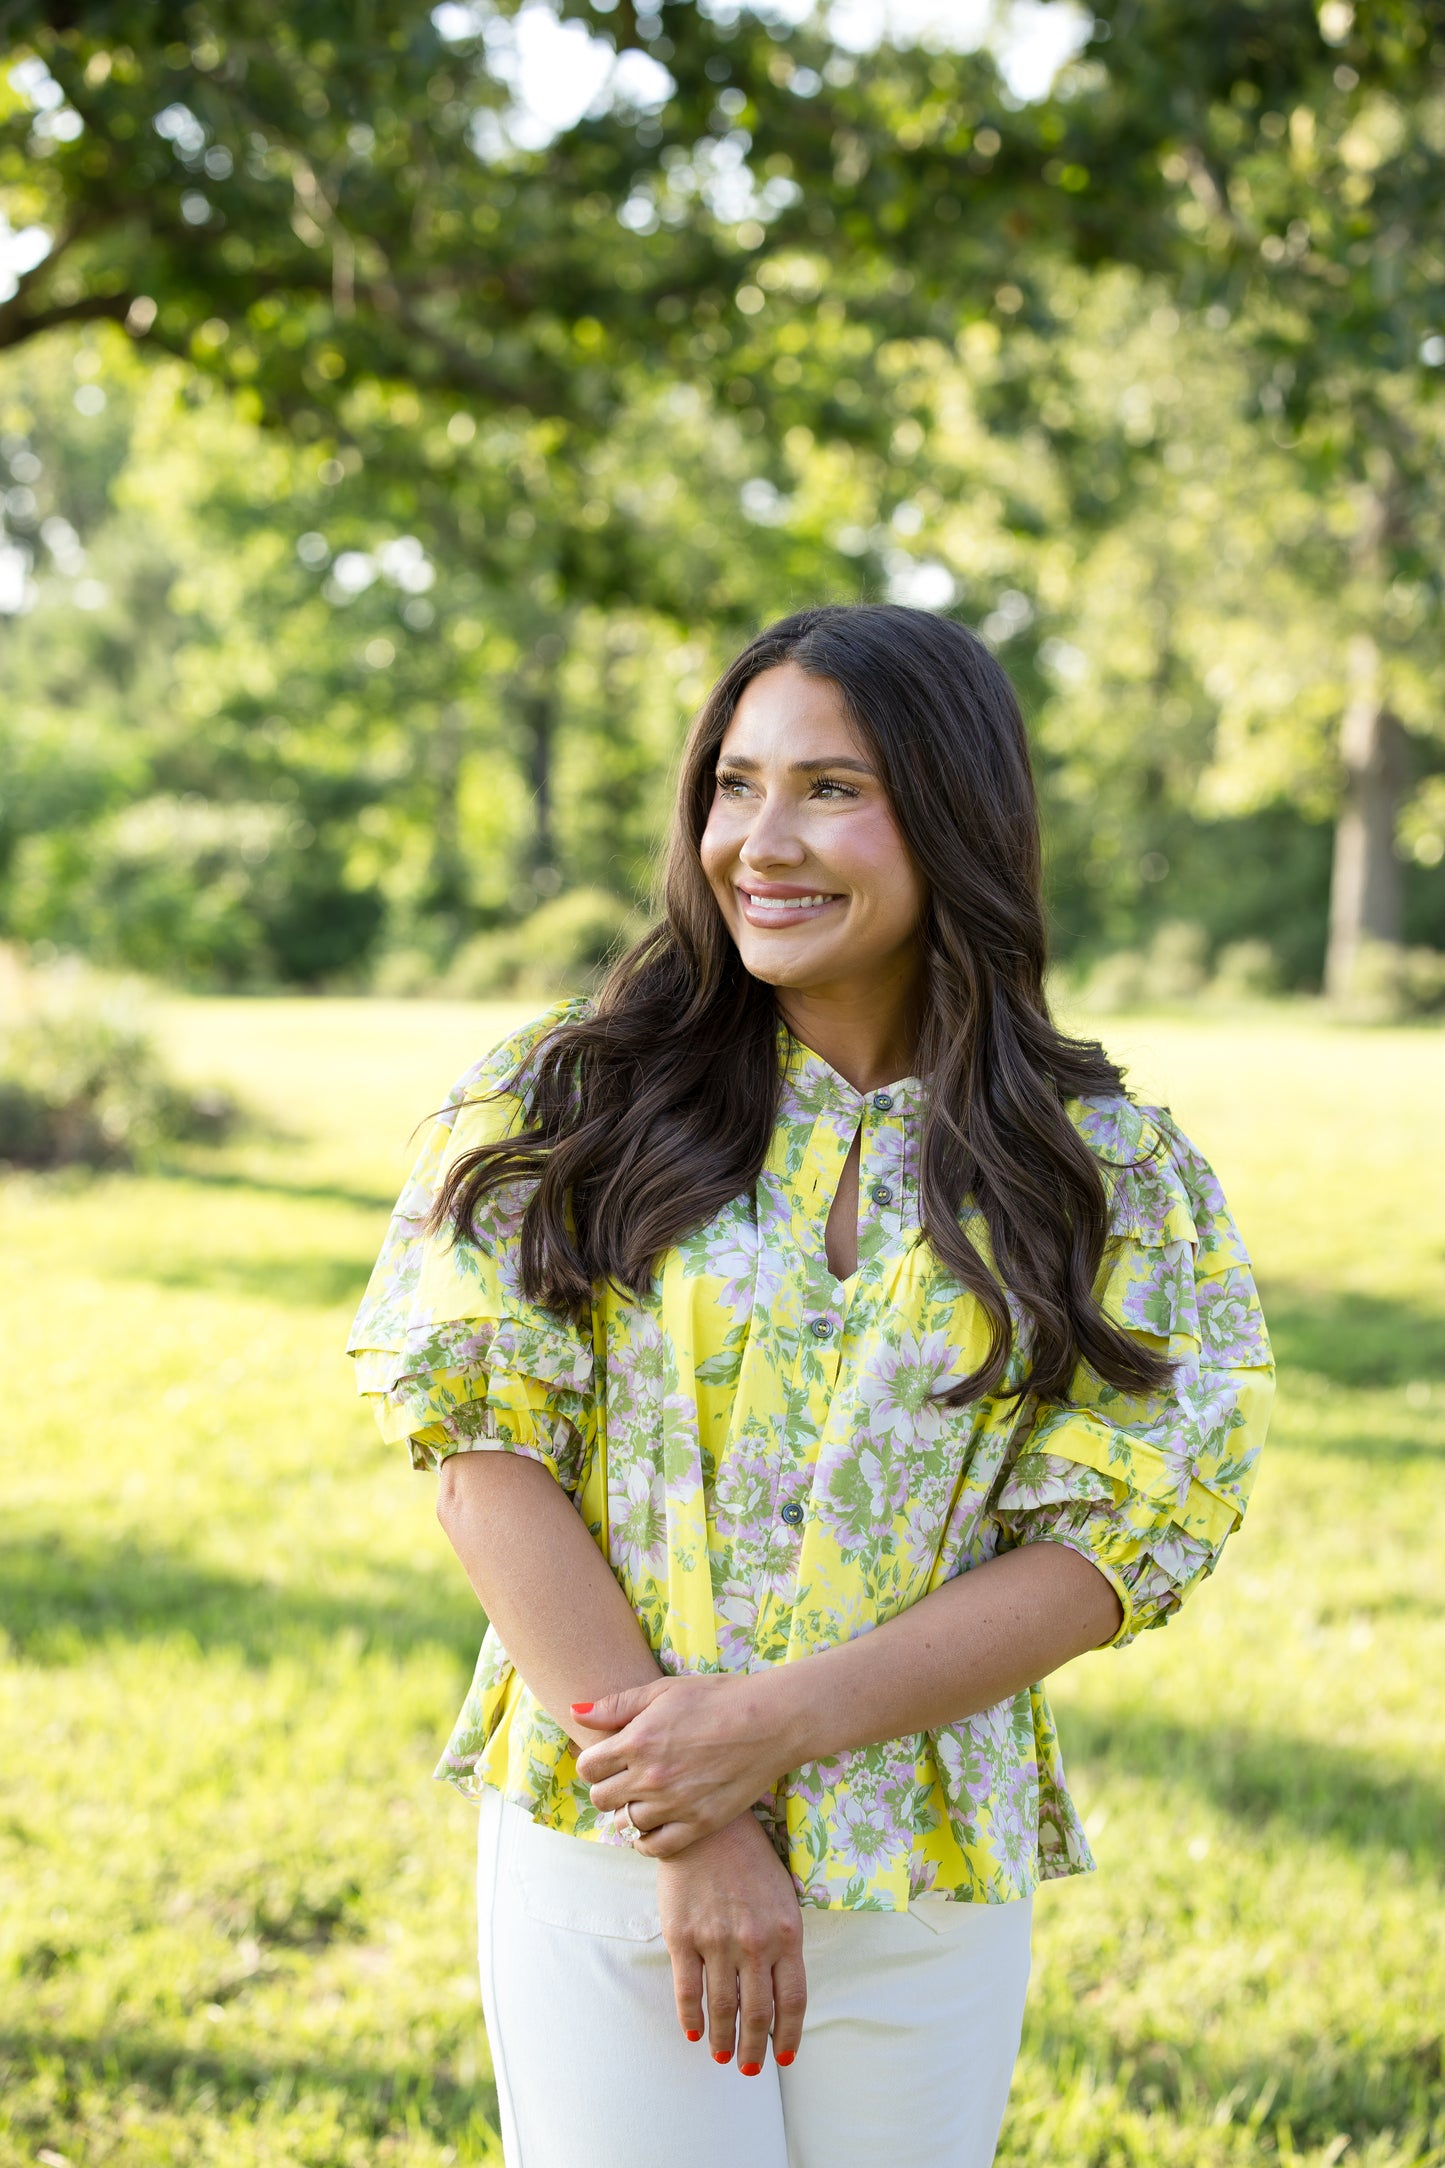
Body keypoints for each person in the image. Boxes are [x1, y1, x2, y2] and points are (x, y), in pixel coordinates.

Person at [348, 604, 1273, 2168]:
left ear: (954, 818)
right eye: (732, 782)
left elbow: (1115, 1537)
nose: (759, 841)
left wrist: (770, 1728)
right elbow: (481, 1456)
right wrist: (696, 1815)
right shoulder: (565, 1096)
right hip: (612, 1837)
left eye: (832, 789)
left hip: (923, 1854)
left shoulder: (1104, 1168)